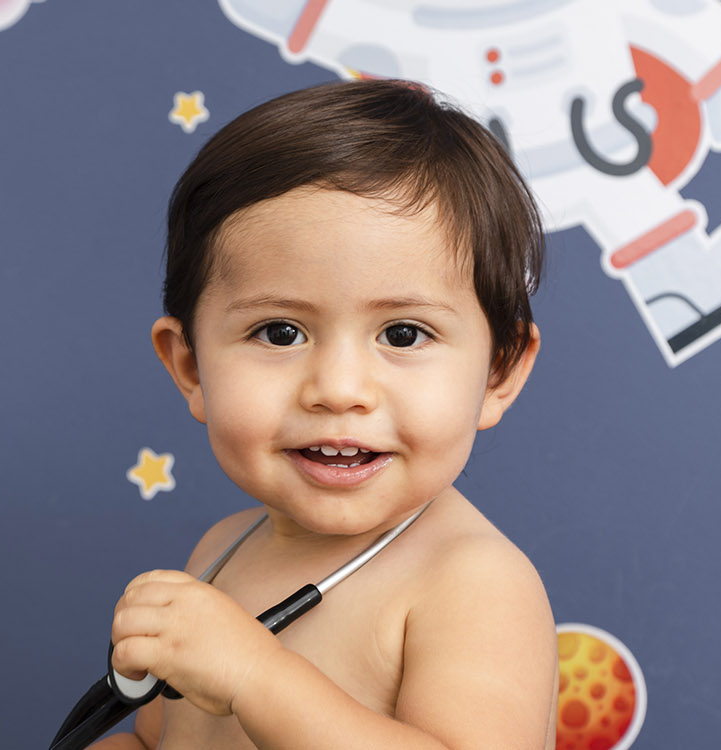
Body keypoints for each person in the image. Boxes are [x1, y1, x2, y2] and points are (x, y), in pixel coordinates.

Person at [93, 79, 556, 749]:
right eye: (280, 333)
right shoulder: (220, 551)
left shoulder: (472, 582)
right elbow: (157, 739)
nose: (338, 390)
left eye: (403, 334)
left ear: (498, 371)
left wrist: (255, 675)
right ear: (190, 366)